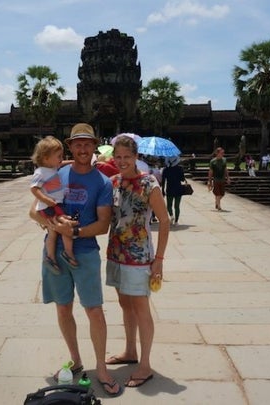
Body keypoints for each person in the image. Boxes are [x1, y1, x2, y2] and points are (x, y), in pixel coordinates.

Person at [28, 123, 121, 397]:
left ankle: (101, 367)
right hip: (54, 249)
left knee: (94, 310)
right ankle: (76, 359)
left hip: (85, 251)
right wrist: (53, 226)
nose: (82, 148)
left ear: (94, 146)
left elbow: (103, 225)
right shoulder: (58, 172)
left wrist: (75, 231)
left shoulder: (102, 182)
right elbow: (33, 211)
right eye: (77, 144)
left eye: (87, 144)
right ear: (70, 147)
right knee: (63, 307)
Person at [104, 135, 169, 389]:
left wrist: (159, 259)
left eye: (127, 157)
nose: (122, 162)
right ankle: (130, 350)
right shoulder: (114, 183)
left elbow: (164, 221)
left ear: (136, 157)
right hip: (115, 253)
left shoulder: (148, 183)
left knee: (141, 308)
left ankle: (145, 364)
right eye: (117, 157)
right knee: (124, 304)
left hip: (139, 257)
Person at [30, 136, 77, 274]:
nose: (61, 159)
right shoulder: (40, 172)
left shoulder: (52, 167)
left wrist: (74, 161)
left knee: (53, 232)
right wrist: (45, 200)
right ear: (46, 158)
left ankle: (50, 257)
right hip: (50, 206)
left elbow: (62, 164)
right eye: (58, 156)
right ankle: (68, 253)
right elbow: (34, 188)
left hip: (54, 205)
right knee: (66, 226)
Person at [161, 155, 186, 225]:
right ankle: (176, 221)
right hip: (178, 188)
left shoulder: (166, 169)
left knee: (169, 205)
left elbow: (163, 181)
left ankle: (171, 216)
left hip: (169, 188)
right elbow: (182, 179)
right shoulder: (180, 168)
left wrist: (162, 190)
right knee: (177, 206)